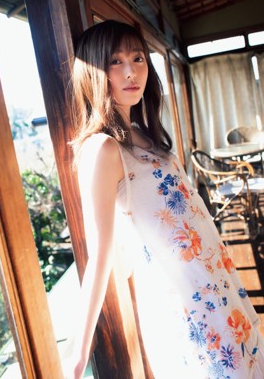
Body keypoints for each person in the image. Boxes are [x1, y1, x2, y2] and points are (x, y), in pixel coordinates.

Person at [64, 20, 264, 378]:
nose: (131, 71)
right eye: (115, 62)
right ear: (94, 72)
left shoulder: (141, 132)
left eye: (138, 58)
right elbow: (100, 255)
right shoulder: (103, 149)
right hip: (184, 301)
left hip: (213, 281)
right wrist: (78, 354)